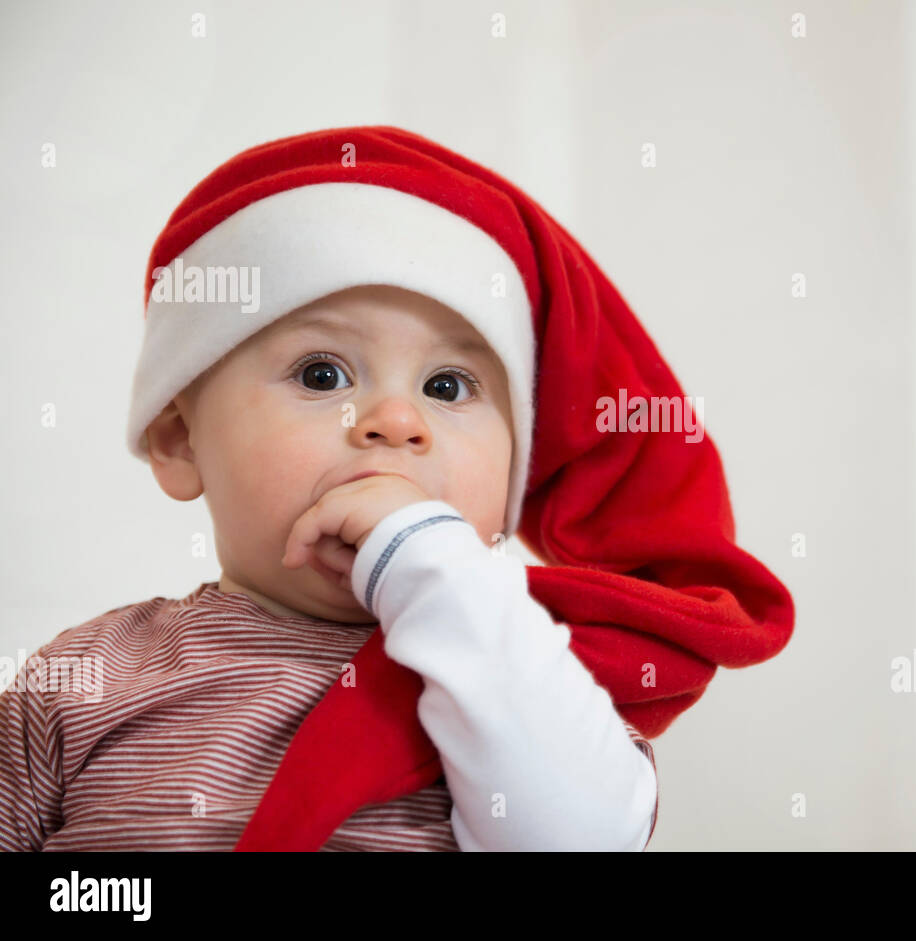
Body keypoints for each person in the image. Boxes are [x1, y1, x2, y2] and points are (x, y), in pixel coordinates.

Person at [0, 126, 796, 851]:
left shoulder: (531, 672)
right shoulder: (88, 674)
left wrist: (438, 570)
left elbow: (578, 837)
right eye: (323, 374)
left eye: (449, 387)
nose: (394, 420)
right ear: (178, 439)